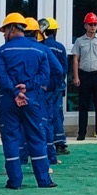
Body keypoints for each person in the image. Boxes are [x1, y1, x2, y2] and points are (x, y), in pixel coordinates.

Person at [0, 12, 56, 189]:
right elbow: (45, 76)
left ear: (13, 29)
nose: (4, 35)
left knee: (11, 139)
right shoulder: (39, 50)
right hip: (32, 99)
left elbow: (0, 74)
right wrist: (27, 87)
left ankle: (14, 182)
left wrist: (15, 92)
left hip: (9, 100)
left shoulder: (3, 51)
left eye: (5, 30)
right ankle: (44, 180)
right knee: (37, 137)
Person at [21, 17, 62, 167]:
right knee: (43, 125)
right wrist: (49, 86)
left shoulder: (11, 49)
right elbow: (59, 70)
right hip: (38, 94)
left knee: (19, 127)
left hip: (18, 94)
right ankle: (48, 160)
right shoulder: (42, 49)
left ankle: (20, 160)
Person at [71, 12, 97, 141]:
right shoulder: (79, 41)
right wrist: (76, 77)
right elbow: (75, 59)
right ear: (85, 26)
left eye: (95, 24)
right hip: (84, 75)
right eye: (91, 24)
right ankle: (82, 133)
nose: (93, 27)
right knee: (83, 105)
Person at [42, 18, 70, 154]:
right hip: (57, 86)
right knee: (57, 113)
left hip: (44, 86)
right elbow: (63, 69)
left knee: (44, 114)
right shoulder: (60, 47)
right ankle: (59, 143)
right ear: (54, 32)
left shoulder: (41, 46)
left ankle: (45, 142)